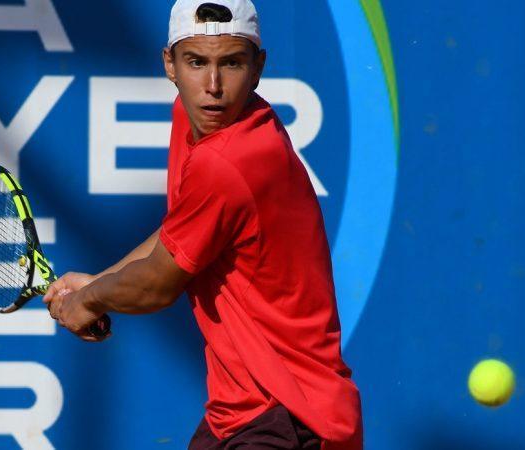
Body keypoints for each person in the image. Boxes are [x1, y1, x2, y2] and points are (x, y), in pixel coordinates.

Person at [43, 1, 363, 448]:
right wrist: (98, 281)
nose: (213, 87)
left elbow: (157, 285)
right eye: (196, 62)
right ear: (170, 64)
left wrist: (90, 299)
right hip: (238, 412)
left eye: (231, 64)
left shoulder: (230, 159)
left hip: (291, 416)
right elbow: (180, 232)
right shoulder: (198, 120)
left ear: (258, 67)